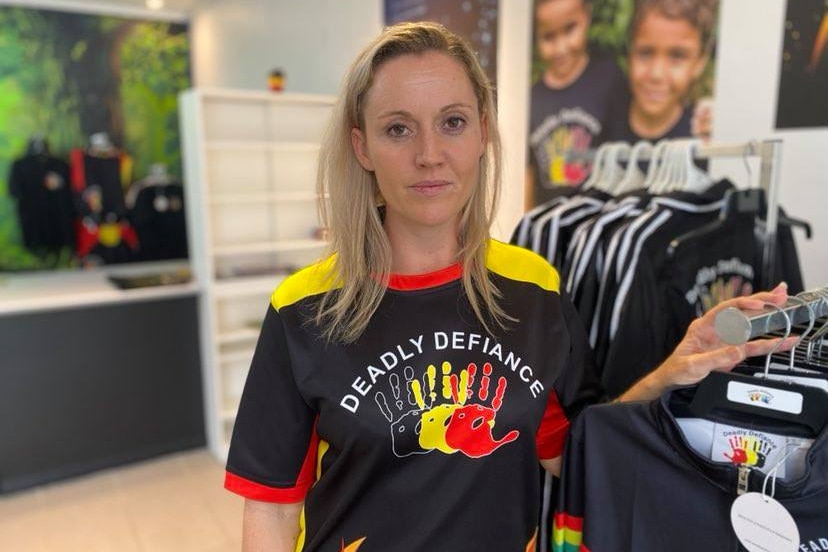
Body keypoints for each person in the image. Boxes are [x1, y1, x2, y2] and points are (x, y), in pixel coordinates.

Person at [224, 21, 794, 551]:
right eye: (398, 129)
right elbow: (271, 507)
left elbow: (571, 455)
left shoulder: (534, 290)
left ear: (481, 135)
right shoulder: (305, 308)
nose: (430, 155)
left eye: (452, 122)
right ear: (362, 147)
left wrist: (671, 371)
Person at [526, 0, 628, 208]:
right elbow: (527, 174)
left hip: (600, 221)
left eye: (570, 29)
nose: (561, 48)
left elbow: (625, 154)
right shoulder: (530, 98)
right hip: (548, 228)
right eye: (548, 36)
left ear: (587, 17)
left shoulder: (610, 79)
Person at [607, 0, 718, 143]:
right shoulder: (597, 119)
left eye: (677, 56)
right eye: (645, 53)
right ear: (630, 51)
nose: (656, 74)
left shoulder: (703, 138)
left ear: (699, 62)